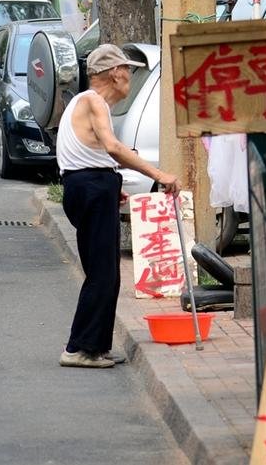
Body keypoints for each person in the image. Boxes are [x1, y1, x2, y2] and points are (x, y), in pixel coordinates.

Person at [57, 43, 180, 368]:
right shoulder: (93, 100)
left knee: (108, 272)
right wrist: (157, 173)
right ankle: (78, 349)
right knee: (102, 273)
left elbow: (91, 153)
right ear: (114, 73)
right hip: (91, 188)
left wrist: (113, 185)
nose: (129, 75)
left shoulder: (86, 103)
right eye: (127, 69)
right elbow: (112, 147)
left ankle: (96, 346)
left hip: (92, 187)